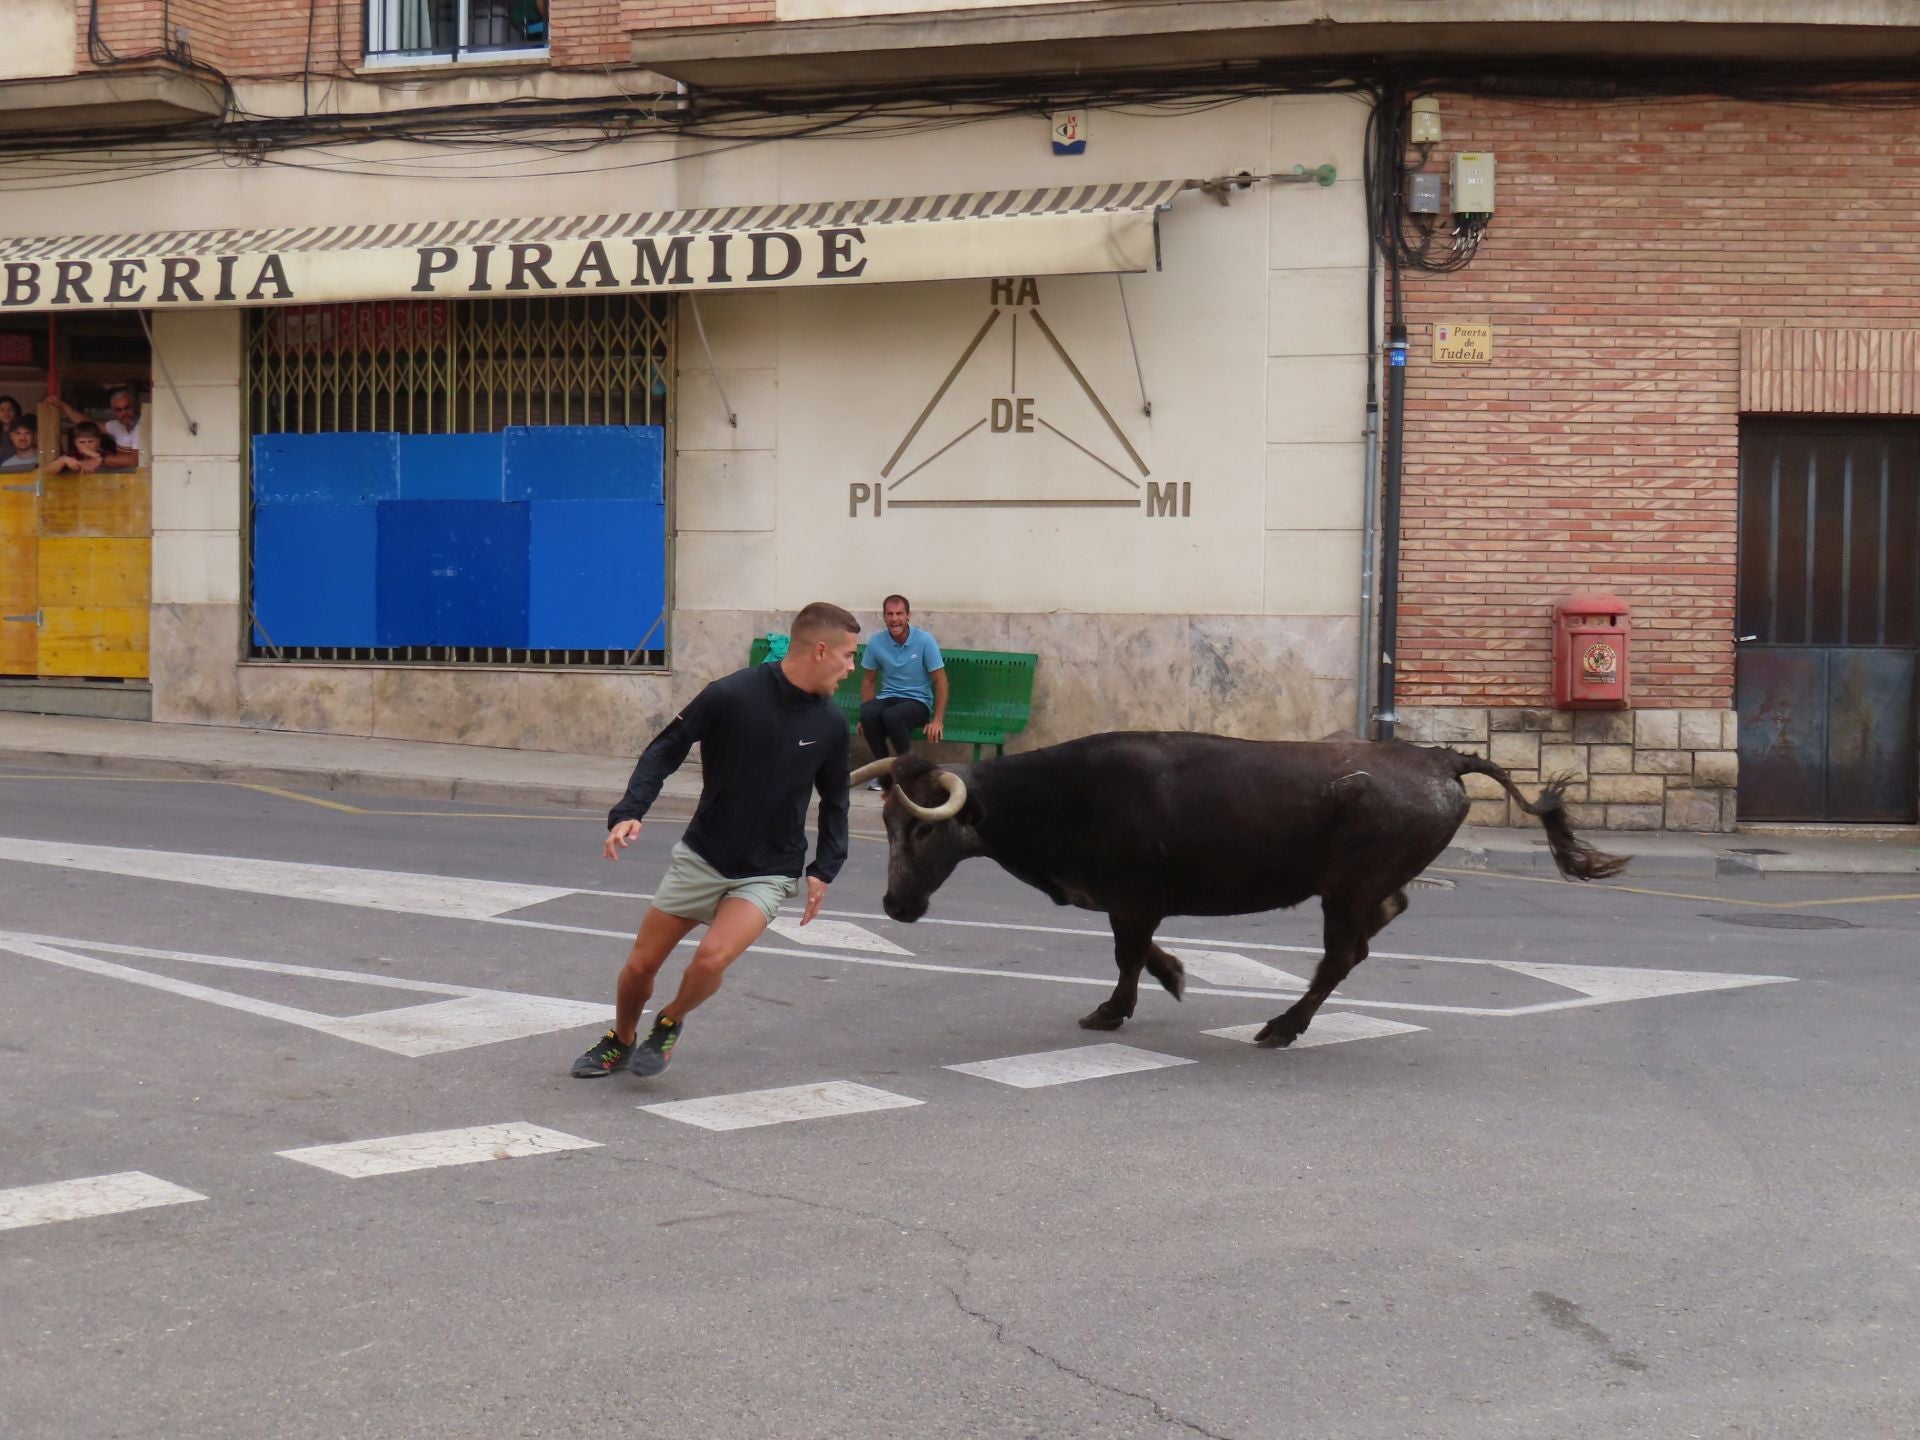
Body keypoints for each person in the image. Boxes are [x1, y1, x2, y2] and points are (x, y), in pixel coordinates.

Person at [570, 601, 860, 1080]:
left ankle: (670, 1020)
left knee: (712, 958)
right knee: (640, 967)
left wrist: (825, 867)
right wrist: (630, 812)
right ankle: (620, 1039)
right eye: (849, 656)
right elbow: (666, 748)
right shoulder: (732, 694)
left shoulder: (830, 723)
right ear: (820, 650)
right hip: (703, 856)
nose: (852, 668)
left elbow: (835, 801)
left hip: (769, 869)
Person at [857, 594, 947, 790]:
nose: (894, 619)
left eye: (899, 614)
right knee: (868, 713)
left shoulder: (925, 641)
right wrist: (865, 719)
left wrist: (937, 720)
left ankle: (909, 774)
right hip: (888, 697)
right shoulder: (876, 642)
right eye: (890, 614)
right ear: (884, 617)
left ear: (908, 616)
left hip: (918, 702)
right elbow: (868, 681)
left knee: (892, 716)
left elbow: (941, 681)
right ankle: (884, 774)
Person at [53, 389, 141, 469]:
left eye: (127, 408)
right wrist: (63, 406)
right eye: (118, 410)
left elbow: (135, 460)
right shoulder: (117, 425)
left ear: (136, 407)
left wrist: (99, 458)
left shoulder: (142, 428)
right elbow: (89, 425)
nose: (124, 413)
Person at [46, 421, 112, 474]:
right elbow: (50, 470)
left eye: (90, 441)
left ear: (98, 441)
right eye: (82, 442)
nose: (86, 445)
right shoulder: (72, 455)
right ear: (75, 443)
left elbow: (112, 463)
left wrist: (95, 455)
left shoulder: (107, 455)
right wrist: (63, 460)